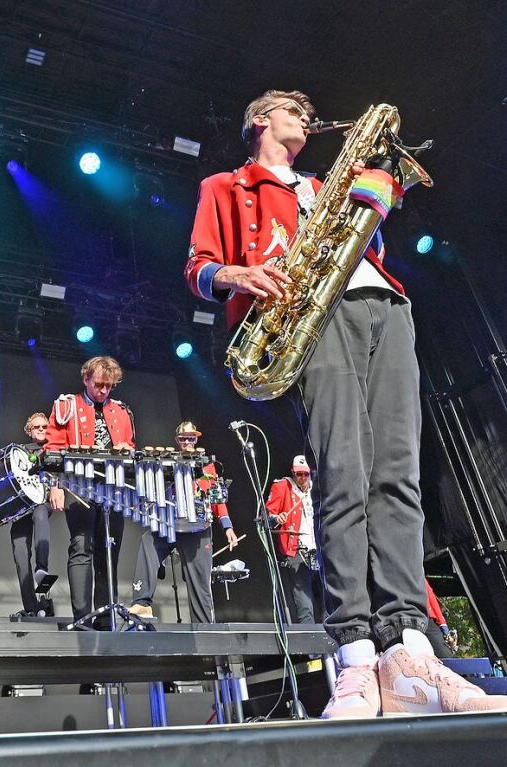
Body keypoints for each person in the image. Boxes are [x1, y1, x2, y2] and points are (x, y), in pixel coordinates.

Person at [184, 88, 507, 716]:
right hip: (309, 313)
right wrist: (236, 275)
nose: (305, 115)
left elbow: (373, 231)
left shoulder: (324, 180)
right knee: (344, 476)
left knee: (399, 476)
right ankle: (357, 655)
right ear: (259, 120)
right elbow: (198, 265)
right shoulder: (226, 184)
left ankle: (410, 647)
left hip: (384, 306)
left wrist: (381, 190)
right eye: (289, 108)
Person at [45, 356, 135, 622]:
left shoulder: (121, 411)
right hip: (77, 485)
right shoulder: (67, 406)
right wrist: (55, 484)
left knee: (109, 550)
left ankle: (106, 617)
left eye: (109, 386)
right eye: (99, 385)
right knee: (81, 547)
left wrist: (125, 451)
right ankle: (82, 617)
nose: (104, 391)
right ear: (86, 379)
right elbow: (53, 449)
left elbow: (130, 444)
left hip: (112, 488)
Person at [129, 421, 239, 622]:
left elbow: (217, 499)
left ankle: (205, 629)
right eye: (183, 439)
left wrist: (228, 527)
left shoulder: (207, 465)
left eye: (191, 438)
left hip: (198, 528)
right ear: (177, 441)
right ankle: (141, 603)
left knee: (199, 584)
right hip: (172, 524)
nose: (187, 442)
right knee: (148, 540)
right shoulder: (168, 462)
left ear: (196, 439)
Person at [0, 413, 57, 618]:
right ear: (29, 431)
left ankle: (42, 569)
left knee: (40, 514)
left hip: (43, 501)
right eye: (37, 427)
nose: (41, 429)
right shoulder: (20, 451)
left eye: (44, 426)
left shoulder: (55, 449)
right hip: (23, 506)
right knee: (20, 553)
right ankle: (32, 606)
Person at [266, 455, 321, 624]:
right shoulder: (283, 487)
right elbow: (267, 516)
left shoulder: (317, 487)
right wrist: (277, 518)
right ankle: (311, 648)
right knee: (305, 603)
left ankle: (332, 647)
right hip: (296, 550)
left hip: (319, 549)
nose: (302, 478)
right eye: (299, 474)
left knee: (328, 600)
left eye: (305, 474)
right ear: (293, 472)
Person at [423, 579, 457, 660]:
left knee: (446, 658)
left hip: (426, 617)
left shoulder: (417, 571)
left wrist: (442, 623)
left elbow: (430, 594)